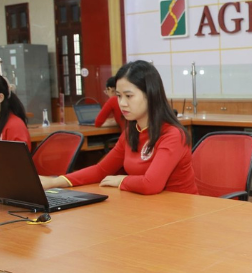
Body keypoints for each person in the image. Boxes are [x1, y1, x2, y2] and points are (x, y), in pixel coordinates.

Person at [40, 60, 197, 195]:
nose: (122, 103)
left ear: (150, 94)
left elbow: (151, 184)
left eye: (129, 96)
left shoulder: (172, 135)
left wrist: (122, 180)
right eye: (119, 96)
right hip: (147, 207)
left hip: (178, 211)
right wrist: (55, 182)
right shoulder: (131, 132)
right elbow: (101, 170)